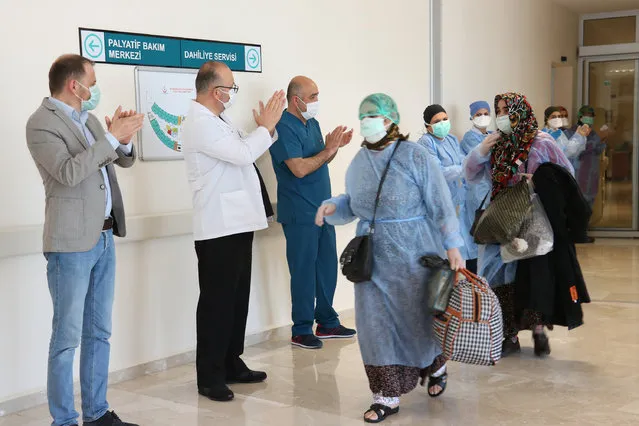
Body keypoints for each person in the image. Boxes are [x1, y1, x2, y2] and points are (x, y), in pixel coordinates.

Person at [316, 94, 464, 423]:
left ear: (391, 119)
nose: (368, 121)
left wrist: (453, 244)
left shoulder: (415, 156)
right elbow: (352, 203)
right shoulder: (358, 161)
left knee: (418, 321)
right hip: (372, 259)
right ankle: (385, 395)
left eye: (375, 115)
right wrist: (332, 207)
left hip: (415, 253)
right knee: (374, 325)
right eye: (363, 115)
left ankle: (436, 366)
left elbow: (440, 202)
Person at [26, 54, 143, 426]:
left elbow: (118, 161)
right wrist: (111, 137)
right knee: (66, 339)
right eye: (92, 81)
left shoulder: (89, 119)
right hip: (71, 245)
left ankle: (96, 414)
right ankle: (63, 421)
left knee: (100, 333)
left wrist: (122, 141)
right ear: (74, 85)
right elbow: (69, 172)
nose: (95, 89)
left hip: (106, 237)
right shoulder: (41, 123)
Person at [181, 61, 286, 402]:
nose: (233, 92)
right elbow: (243, 155)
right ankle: (209, 376)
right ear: (216, 91)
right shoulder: (199, 123)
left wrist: (265, 130)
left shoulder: (217, 120)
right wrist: (266, 128)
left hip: (238, 223)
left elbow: (246, 147)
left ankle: (230, 362)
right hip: (218, 227)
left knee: (236, 299)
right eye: (231, 86)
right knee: (217, 303)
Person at [464, 92, 574, 358]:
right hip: (501, 217)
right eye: (498, 110)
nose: (501, 116)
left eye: (506, 110)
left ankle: (538, 331)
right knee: (499, 276)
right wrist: (481, 151)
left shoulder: (542, 142)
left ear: (520, 111)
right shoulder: (495, 143)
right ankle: (507, 333)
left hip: (533, 215)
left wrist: (539, 180)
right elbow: (469, 174)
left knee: (533, 274)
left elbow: (566, 173)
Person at [270, 76, 356, 350]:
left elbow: (318, 160)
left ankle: (327, 322)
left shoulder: (313, 124)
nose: (317, 102)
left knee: (326, 268)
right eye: (313, 96)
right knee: (304, 271)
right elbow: (298, 168)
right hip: (299, 212)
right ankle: (302, 329)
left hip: (323, 209)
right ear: (296, 100)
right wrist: (328, 150)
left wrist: (334, 148)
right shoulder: (282, 127)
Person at [417, 104, 476, 272]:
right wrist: (464, 168)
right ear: (428, 126)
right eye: (437, 121)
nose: (442, 123)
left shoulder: (451, 140)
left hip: (458, 203)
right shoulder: (425, 143)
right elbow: (438, 173)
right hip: (439, 206)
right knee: (443, 258)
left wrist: (468, 165)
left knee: (461, 255)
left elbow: (464, 160)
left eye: (445, 119)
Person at [460, 101, 494, 272]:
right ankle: (475, 282)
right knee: (477, 238)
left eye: (486, 113)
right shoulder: (469, 138)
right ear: (471, 117)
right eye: (478, 114)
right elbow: (482, 156)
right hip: (477, 192)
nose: (483, 117)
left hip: (491, 192)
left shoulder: (492, 134)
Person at [564, 105, 607, 209]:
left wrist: (603, 139)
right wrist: (597, 140)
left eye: (591, 116)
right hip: (579, 175)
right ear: (580, 117)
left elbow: (597, 150)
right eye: (586, 116)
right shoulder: (570, 133)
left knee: (589, 208)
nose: (589, 118)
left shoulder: (593, 134)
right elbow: (576, 150)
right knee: (577, 208)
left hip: (592, 176)